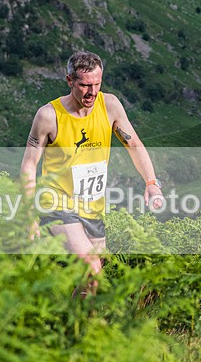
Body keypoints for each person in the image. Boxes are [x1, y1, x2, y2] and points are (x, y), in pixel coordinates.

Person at [20, 51, 163, 296]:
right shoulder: (49, 116)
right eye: (85, 85)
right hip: (56, 202)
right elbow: (29, 165)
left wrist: (151, 182)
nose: (92, 92)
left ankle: (73, 327)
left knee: (92, 280)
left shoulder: (109, 106)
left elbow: (134, 144)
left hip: (92, 205)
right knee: (92, 265)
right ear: (69, 81)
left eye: (97, 84)